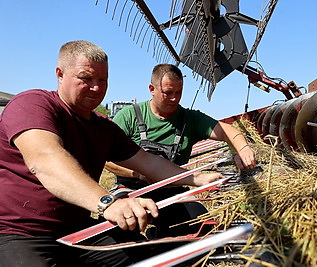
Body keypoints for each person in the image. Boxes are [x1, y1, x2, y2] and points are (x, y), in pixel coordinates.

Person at [0, 41, 221, 266]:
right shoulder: (33, 105)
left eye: (102, 80)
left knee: (149, 258)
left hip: (78, 231)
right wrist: (108, 203)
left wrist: (199, 178)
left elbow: (147, 162)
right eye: (86, 78)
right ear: (60, 74)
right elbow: (46, 160)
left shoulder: (103, 127)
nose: (96, 87)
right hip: (19, 232)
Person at [105, 64, 256, 237]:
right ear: (152, 89)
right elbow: (107, 159)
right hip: (132, 190)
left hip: (171, 191)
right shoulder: (129, 116)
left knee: (200, 225)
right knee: (120, 231)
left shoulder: (189, 119)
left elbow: (227, 130)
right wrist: (137, 174)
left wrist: (242, 149)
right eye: (168, 92)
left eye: (179, 92)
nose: (174, 98)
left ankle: (162, 238)